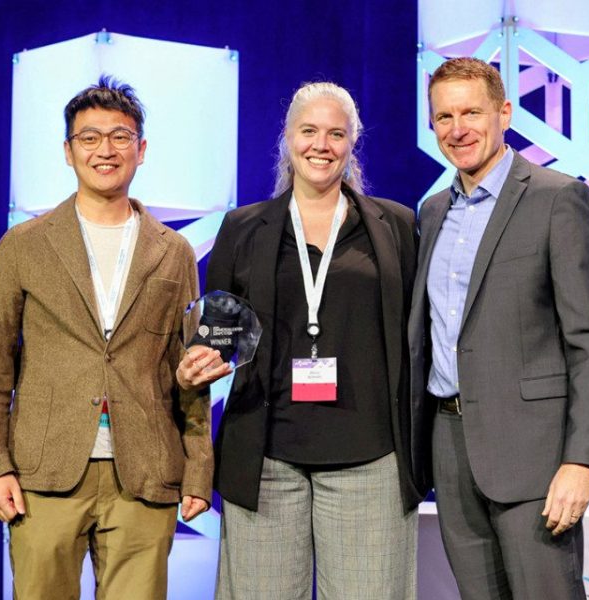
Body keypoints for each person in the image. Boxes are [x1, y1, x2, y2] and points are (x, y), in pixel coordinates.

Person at [0, 75, 212, 600]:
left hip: (145, 473)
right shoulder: (23, 246)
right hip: (44, 473)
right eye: (89, 137)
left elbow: (190, 371)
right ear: (67, 150)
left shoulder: (174, 252)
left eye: (120, 136)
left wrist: (198, 469)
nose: (106, 150)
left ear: (142, 149)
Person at [186, 81, 421, 600]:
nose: (322, 144)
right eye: (309, 130)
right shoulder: (243, 228)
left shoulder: (396, 226)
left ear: (352, 143)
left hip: (371, 459)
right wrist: (198, 363)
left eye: (336, 133)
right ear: (287, 138)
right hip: (268, 458)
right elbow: (218, 335)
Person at [409, 57, 589, 599]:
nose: (458, 129)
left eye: (471, 112)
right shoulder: (431, 212)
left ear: (504, 112)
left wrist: (583, 461)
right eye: (443, 117)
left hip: (536, 457)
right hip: (450, 448)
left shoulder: (558, 197)